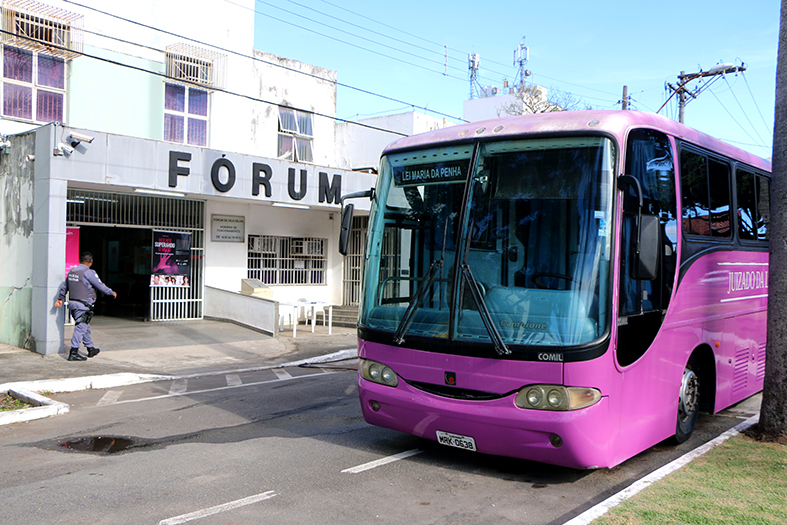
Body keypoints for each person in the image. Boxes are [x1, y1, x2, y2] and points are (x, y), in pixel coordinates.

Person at [54, 252, 117, 361]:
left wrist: (60, 298)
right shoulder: (89, 272)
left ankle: (90, 348)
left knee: (84, 326)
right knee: (80, 327)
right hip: (83, 305)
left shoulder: (72, 271)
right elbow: (99, 285)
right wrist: (111, 292)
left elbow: (65, 286)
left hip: (73, 304)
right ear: (91, 261)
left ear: (80, 260)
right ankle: (73, 352)